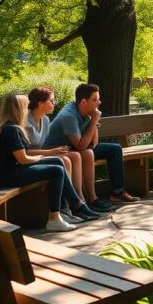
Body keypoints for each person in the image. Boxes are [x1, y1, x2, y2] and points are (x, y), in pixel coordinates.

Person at [0, 93, 100, 232]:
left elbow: (22, 157)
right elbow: (23, 159)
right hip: (4, 176)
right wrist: (42, 158)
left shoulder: (8, 126)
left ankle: (73, 206)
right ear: (19, 109)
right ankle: (55, 217)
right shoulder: (10, 130)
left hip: (10, 170)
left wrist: (48, 156)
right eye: (26, 107)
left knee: (58, 162)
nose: (28, 110)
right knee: (55, 170)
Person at [44, 83, 139, 212]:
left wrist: (92, 121)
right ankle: (87, 200)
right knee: (87, 153)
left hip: (74, 147)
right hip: (57, 149)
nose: (98, 103)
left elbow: (93, 144)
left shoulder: (87, 112)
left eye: (98, 99)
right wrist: (94, 121)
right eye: (95, 100)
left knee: (114, 149)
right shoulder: (69, 116)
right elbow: (81, 146)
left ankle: (117, 193)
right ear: (84, 102)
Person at [26, 87, 97, 220]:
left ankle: (80, 201)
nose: (54, 103)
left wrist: (93, 120)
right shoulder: (26, 122)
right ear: (40, 104)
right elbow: (24, 152)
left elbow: (92, 144)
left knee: (75, 156)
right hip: (30, 158)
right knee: (64, 160)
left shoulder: (45, 120)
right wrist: (52, 152)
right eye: (51, 101)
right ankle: (70, 207)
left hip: (43, 154)